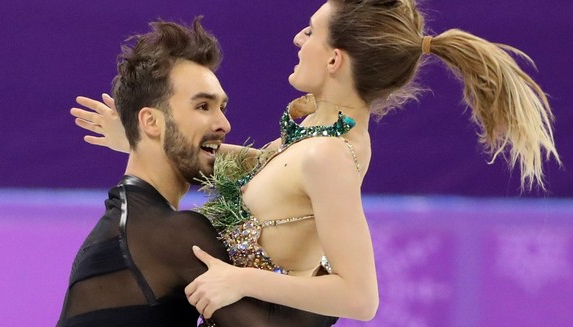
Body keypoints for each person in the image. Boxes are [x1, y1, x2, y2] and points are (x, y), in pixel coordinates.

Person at [71, 0, 561, 323]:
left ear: (334, 61)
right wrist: (140, 136)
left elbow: (360, 299)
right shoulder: (313, 131)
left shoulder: (329, 154)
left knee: (166, 238)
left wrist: (238, 279)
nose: (297, 39)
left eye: (310, 31)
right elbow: (249, 166)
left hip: (261, 318)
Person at [58, 19, 338, 327]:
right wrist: (332, 260)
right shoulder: (170, 235)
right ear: (151, 122)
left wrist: (138, 141)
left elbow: (243, 161)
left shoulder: (131, 222)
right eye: (203, 106)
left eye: (222, 108)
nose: (224, 124)